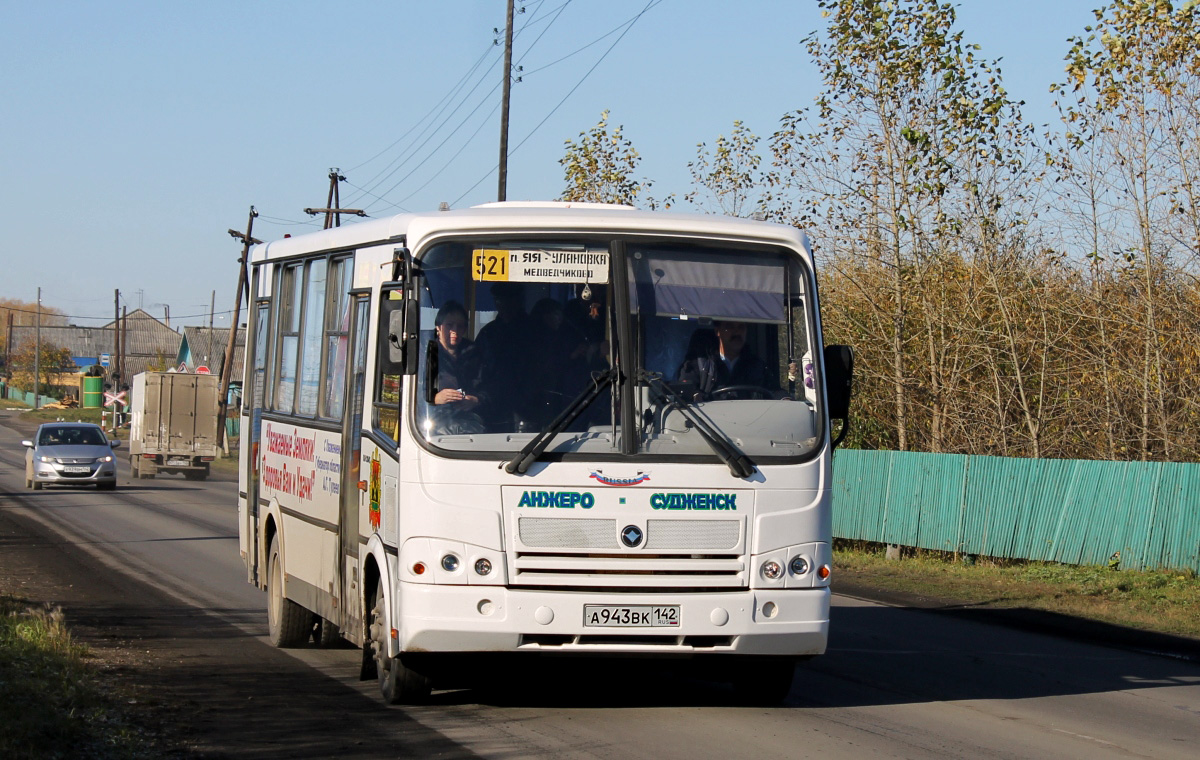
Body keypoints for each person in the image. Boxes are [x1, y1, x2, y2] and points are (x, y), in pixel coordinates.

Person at [677, 320, 779, 399]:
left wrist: (785, 398)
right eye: (729, 327)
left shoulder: (757, 366)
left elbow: (775, 391)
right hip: (707, 424)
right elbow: (685, 388)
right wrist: (695, 395)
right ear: (717, 331)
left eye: (741, 327)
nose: (736, 332)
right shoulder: (699, 364)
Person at [428, 301, 484, 435]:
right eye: (449, 325)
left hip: (472, 426)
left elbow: (490, 386)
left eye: (460, 326)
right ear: (438, 328)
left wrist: (475, 400)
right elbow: (412, 393)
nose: (455, 331)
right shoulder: (426, 353)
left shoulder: (475, 353)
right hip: (431, 428)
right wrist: (435, 399)